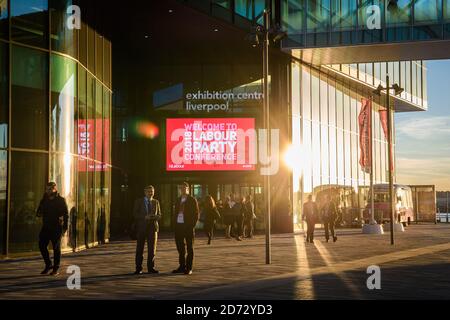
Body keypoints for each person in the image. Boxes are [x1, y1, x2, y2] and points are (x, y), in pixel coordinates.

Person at [36, 182, 69, 276]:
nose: (48, 191)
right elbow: (38, 213)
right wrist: (40, 209)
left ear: (55, 189)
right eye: (47, 189)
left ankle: (56, 268)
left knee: (56, 248)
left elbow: (66, 215)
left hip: (56, 227)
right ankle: (48, 264)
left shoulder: (61, 200)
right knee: (41, 245)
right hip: (46, 227)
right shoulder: (44, 200)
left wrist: (65, 228)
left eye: (50, 189)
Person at [172, 182, 199, 275]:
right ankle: (181, 266)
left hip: (188, 227)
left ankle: (189, 267)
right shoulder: (178, 199)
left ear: (188, 189)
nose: (183, 190)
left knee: (190, 247)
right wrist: (174, 225)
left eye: (185, 188)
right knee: (180, 248)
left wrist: (192, 225)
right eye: (181, 188)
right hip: (178, 226)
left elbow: (196, 214)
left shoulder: (192, 200)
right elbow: (175, 213)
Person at [133, 185, 161, 274]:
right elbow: (135, 214)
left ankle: (151, 268)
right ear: (145, 192)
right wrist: (145, 217)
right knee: (139, 249)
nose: (150, 193)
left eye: (152, 191)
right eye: (149, 192)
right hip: (142, 228)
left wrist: (155, 217)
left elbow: (160, 215)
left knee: (152, 250)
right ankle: (138, 268)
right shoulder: (138, 201)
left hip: (153, 228)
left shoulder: (156, 202)